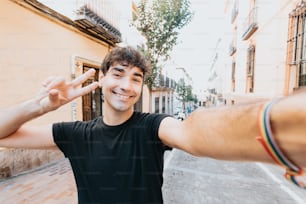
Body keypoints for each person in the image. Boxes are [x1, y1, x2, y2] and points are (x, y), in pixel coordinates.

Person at [0, 46, 306, 203]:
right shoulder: (75, 134)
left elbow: (192, 133)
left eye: (136, 78)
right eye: (118, 74)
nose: (127, 85)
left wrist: (283, 125)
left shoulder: (152, 127)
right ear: (102, 78)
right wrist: (39, 106)